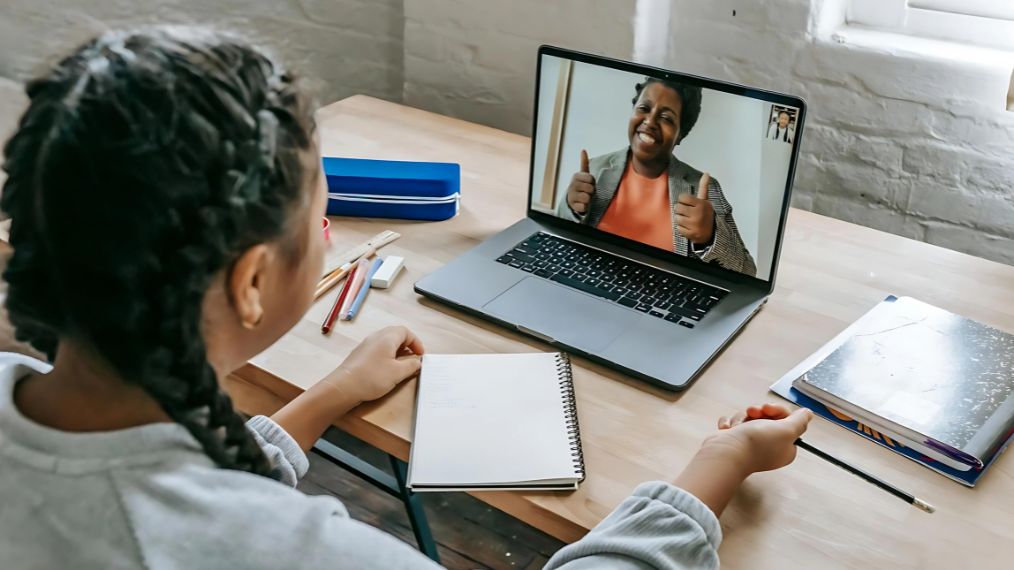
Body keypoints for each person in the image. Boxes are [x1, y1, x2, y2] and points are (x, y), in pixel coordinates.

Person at [0, 27, 811, 569]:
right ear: (250, 282)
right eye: (319, 209)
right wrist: (716, 464)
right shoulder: (303, 551)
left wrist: (322, 401)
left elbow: (171, 483)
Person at [556, 77, 757, 277]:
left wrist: (710, 236)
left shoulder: (703, 189)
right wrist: (569, 207)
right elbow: (558, 241)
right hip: (590, 283)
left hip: (663, 301)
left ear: (680, 135)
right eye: (644, 108)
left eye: (667, 118)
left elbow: (748, 272)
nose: (650, 121)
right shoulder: (594, 170)